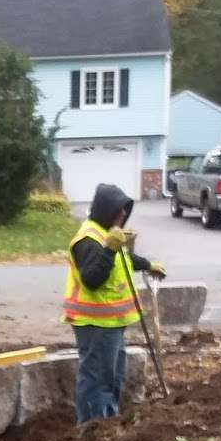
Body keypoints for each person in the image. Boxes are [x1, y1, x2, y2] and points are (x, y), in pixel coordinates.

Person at [63, 182, 166, 425]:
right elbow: (92, 279)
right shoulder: (88, 240)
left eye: (125, 211)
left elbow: (124, 257)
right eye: (119, 210)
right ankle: (92, 429)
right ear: (106, 210)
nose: (123, 215)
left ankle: (109, 424)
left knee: (113, 378)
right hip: (96, 324)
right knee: (97, 380)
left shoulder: (107, 235)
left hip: (111, 323)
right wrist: (110, 250)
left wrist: (146, 264)